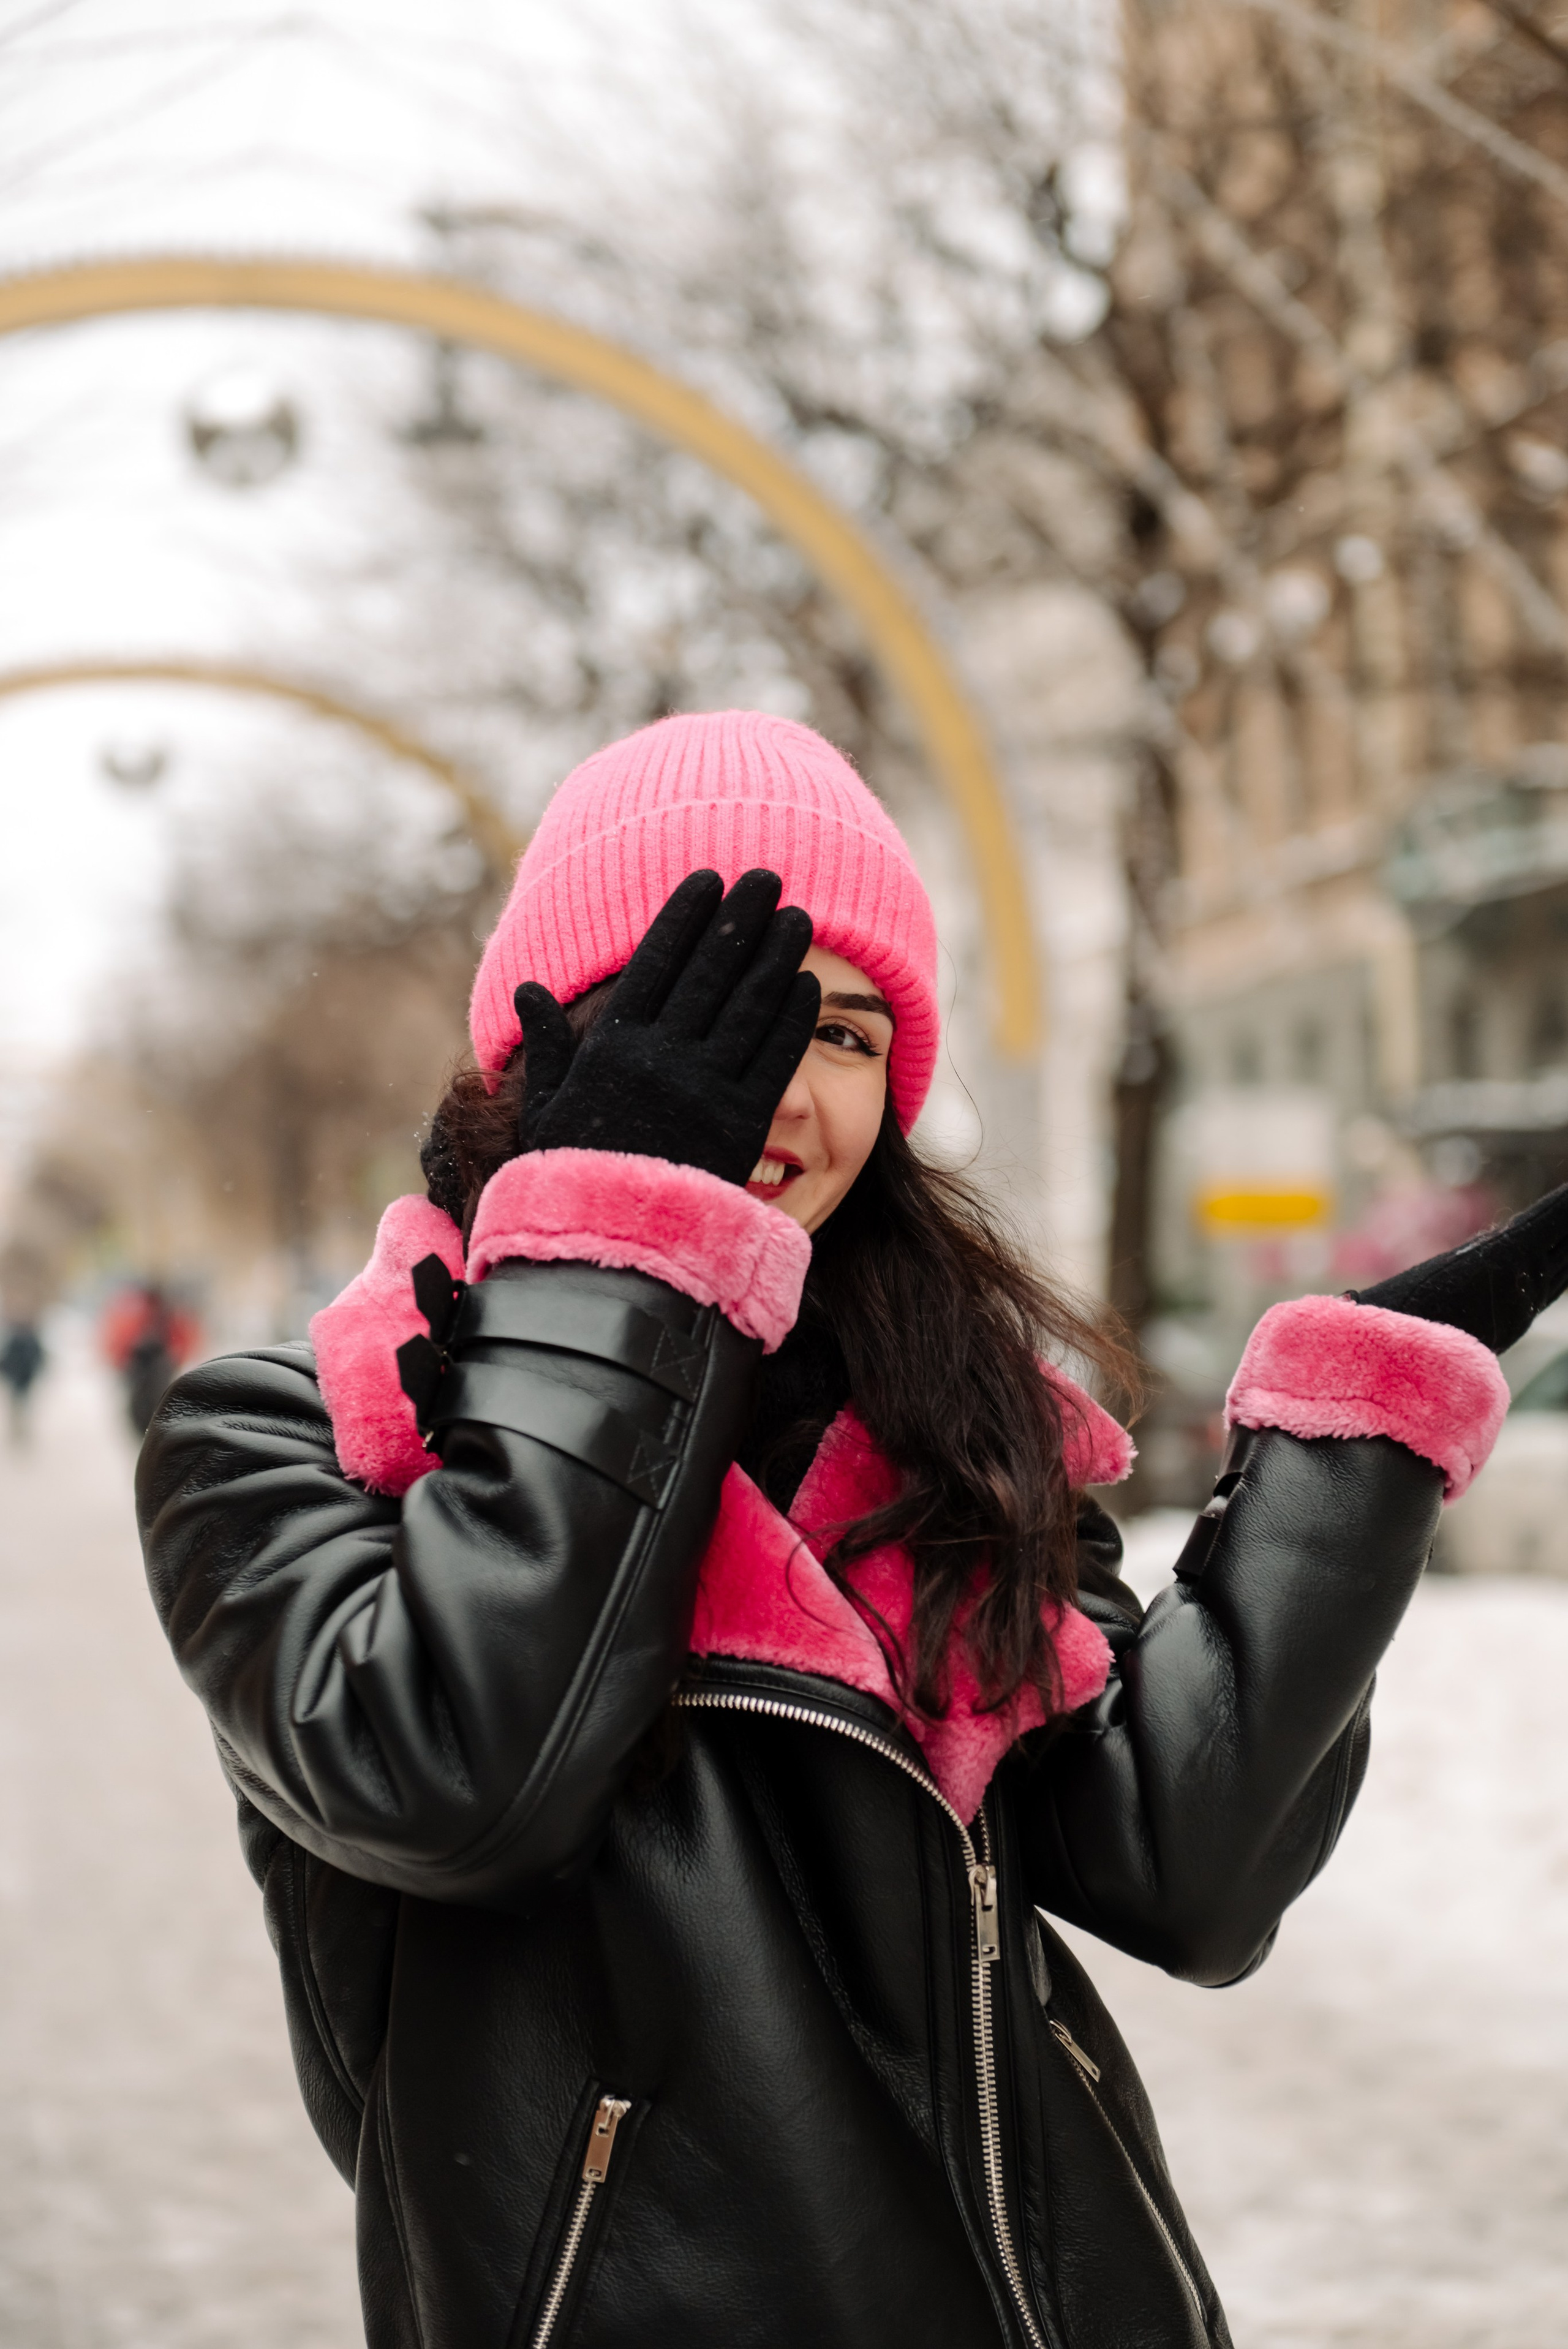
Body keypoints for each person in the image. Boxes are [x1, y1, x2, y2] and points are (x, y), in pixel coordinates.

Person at [137, 711, 1552, 2349]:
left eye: (845, 1031)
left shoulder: (955, 1420)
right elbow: (466, 1781)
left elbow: (1182, 1872)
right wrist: (624, 1236)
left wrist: (1348, 1446)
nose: (781, 1087)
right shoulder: (286, 1435)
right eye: (708, 1008)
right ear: (545, 1041)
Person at [102, 1282, 198, 1437]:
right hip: (144, 1369)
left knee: (152, 1406)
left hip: (153, 1368)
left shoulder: (160, 1316)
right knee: (149, 1407)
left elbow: (185, 1340)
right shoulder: (141, 1315)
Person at [0, 1318, 45, 1446]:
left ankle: (20, 1429)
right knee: (19, 1404)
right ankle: (18, 1429)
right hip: (20, 1378)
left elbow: (38, 1358)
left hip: (23, 1378)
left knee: (20, 1404)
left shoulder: (28, 1340)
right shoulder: (21, 1340)